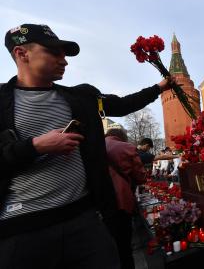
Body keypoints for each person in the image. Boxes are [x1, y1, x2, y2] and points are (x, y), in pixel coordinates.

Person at [0, 23, 174, 269]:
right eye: (53, 52)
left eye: (65, 54)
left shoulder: (80, 98)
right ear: (21, 53)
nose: (64, 61)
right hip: (23, 228)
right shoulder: (2, 102)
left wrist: (159, 88)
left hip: (83, 220)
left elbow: (122, 105)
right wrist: (35, 146)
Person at [104, 128, 145, 269]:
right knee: (124, 247)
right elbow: (140, 177)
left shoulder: (92, 145)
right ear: (122, 137)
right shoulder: (127, 148)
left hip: (97, 204)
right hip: (121, 202)